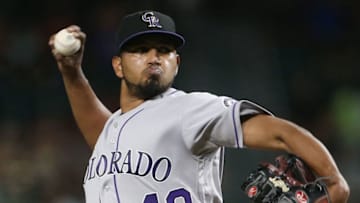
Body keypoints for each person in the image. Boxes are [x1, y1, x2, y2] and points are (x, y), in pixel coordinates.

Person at [49, 10, 349, 203]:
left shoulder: (191, 109)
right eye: (140, 50)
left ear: (176, 64)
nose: (154, 58)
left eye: (164, 51)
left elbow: (280, 133)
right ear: (118, 65)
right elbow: (100, 131)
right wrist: (71, 72)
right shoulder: (115, 128)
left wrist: (334, 182)